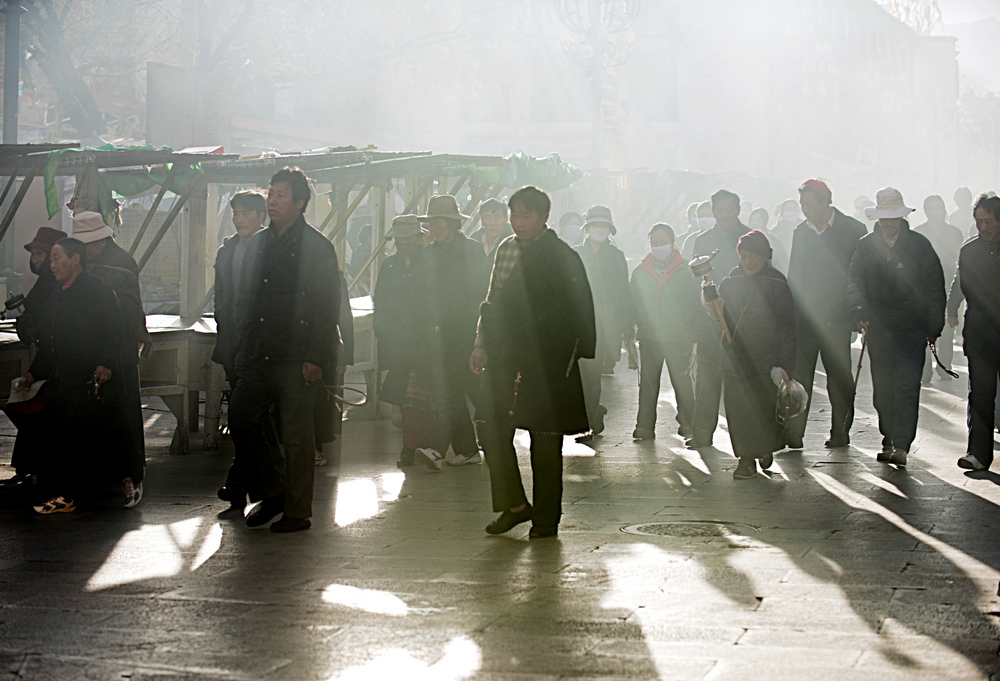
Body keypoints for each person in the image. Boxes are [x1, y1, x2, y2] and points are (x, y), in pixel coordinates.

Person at [471, 185, 596, 538]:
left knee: (544, 441)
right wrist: (481, 342)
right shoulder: (505, 249)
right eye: (514, 215)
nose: (518, 223)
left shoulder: (561, 256)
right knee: (491, 428)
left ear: (544, 218)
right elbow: (493, 298)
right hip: (504, 354)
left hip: (546, 361)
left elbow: (575, 311)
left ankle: (546, 519)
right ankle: (514, 505)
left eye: (526, 216)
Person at [227, 166, 340, 533]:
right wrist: (241, 347)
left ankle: (297, 511)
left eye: (280, 195)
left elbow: (327, 306)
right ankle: (272, 490)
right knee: (242, 419)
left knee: (296, 436)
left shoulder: (318, 247)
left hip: (296, 356)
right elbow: (247, 297)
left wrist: (316, 358)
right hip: (258, 353)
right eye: (270, 193)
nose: (272, 201)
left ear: (300, 203)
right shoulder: (259, 242)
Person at [21, 238, 126, 514]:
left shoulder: (98, 290)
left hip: (84, 376)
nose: (51, 264)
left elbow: (115, 329)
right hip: (59, 377)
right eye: (51, 259)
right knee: (57, 438)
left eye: (57, 258)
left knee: (77, 439)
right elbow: (49, 337)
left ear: (75, 259)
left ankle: (75, 496)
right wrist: (34, 371)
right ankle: (61, 494)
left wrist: (105, 362)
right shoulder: (57, 293)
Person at [848, 187, 946, 466]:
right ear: (878, 219)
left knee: (906, 385)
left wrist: (933, 324)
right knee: (883, 387)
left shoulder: (919, 245)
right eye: (884, 218)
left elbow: (934, 287)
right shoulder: (865, 246)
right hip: (879, 328)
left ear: (902, 217)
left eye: (894, 217)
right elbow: (854, 281)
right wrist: (859, 311)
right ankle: (888, 437)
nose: (889, 223)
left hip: (912, 328)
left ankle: (901, 444)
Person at [70, 210, 148, 507]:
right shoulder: (95, 262)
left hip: (119, 353)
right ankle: (109, 478)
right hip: (100, 351)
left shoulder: (120, 265)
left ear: (99, 242)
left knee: (123, 417)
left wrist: (111, 358)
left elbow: (126, 317)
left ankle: (132, 476)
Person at [784, 179, 867, 450]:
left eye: (809, 204)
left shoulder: (853, 230)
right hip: (806, 321)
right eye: (802, 204)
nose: (805, 209)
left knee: (840, 379)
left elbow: (859, 276)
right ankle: (794, 434)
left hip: (837, 319)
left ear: (825, 202)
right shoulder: (801, 232)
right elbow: (795, 275)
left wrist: (857, 312)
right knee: (800, 379)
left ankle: (841, 432)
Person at [710, 231, 796, 479]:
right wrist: (710, 303)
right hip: (735, 358)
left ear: (765, 257)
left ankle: (763, 447)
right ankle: (746, 459)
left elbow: (788, 326)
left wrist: (787, 365)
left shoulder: (777, 284)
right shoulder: (729, 282)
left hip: (766, 360)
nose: (749, 261)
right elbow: (720, 320)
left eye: (754, 256)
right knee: (738, 410)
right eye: (744, 256)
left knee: (762, 409)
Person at [413, 195, 489, 469]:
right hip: (436, 337)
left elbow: (483, 294)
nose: (435, 226)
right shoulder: (427, 254)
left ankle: (436, 448)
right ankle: (468, 449)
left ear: (453, 222)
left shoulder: (472, 250)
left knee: (452, 394)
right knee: (453, 395)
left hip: (467, 335)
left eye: (440, 221)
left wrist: (481, 337)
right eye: (432, 221)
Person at [213, 190, 270, 513]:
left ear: (261, 216)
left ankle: (239, 482)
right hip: (235, 344)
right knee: (246, 417)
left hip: (259, 347)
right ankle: (243, 483)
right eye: (236, 213)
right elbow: (223, 295)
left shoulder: (271, 249)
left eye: (247, 213)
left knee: (247, 416)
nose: (239, 219)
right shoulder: (228, 251)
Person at [687, 189, 752, 448]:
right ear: (712, 212)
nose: (725, 215)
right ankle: (702, 431)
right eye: (720, 210)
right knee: (707, 376)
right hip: (709, 318)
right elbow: (693, 281)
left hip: (741, 317)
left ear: (738, 209)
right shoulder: (702, 241)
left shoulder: (749, 237)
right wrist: (694, 317)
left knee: (742, 379)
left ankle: (747, 436)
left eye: (730, 209)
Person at [7, 226, 68, 486]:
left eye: (42, 254)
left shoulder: (59, 285)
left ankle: (39, 467)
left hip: (57, 359)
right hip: (43, 357)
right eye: (35, 254)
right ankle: (27, 465)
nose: (36, 260)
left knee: (41, 411)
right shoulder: (44, 283)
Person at [628, 223, 697, 440]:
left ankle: (689, 422)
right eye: (654, 242)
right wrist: (630, 330)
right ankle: (645, 426)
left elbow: (692, 301)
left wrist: (691, 329)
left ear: (672, 242)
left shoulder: (686, 269)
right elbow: (633, 302)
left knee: (682, 382)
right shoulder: (640, 272)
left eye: (663, 242)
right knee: (648, 382)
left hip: (678, 336)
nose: (659, 246)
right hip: (650, 335)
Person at [373, 215, 433, 468]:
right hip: (398, 343)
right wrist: (383, 337)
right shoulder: (389, 266)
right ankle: (416, 445)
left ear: (420, 237)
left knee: (417, 398)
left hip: (427, 342)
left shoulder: (432, 263)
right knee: (405, 400)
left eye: (410, 237)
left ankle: (413, 447)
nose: (406, 242)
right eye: (402, 238)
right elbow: (382, 303)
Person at [948, 194, 1000, 471]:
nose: (983, 227)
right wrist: (951, 306)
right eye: (979, 221)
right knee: (980, 394)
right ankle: (978, 453)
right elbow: (962, 283)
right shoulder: (970, 250)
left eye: (989, 221)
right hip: (980, 332)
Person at [574, 205, 631, 439]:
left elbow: (623, 292)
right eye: (595, 225)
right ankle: (594, 412)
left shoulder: (616, 257)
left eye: (603, 225)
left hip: (603, 327)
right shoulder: (574, 253)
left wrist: (626, 327)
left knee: (592, 374)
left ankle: (589, 419)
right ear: (586, 228)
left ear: (609, 229)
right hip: (576, 325)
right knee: (576, 376)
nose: (599, 229)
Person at [915, 195, 964, 382]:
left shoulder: (954, 233)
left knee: (947, 328)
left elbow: (959, 260)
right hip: (924, 289)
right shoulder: (919, 233)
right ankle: (925, 369)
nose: (940, 211)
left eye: (942, 207)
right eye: (936, 208)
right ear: (927, 211)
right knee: (924, 329)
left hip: (947, 285)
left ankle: (945, 366)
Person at [747, 207, 788, 272]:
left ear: (765, 222)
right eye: (751, 220)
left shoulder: (774, 241)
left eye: (758, 220)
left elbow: (783, 263)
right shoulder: (744, 239)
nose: (754, 223)